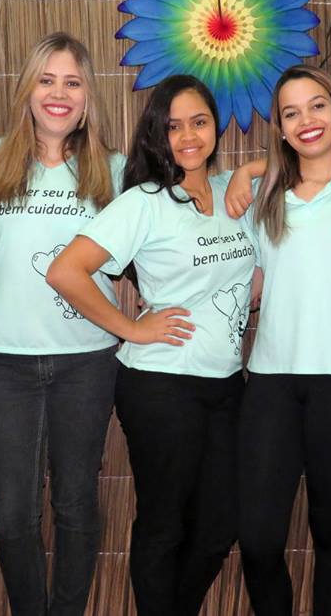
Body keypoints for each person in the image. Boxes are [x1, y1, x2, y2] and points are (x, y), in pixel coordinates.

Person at [47, 74, 256, 616]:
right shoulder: (146, 201)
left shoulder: (236, 193)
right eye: (173, 126)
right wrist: (131, 327)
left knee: (219, 526)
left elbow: (308, 166)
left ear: (216, 126)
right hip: (161, 384)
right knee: (164, 526)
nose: (188, 136)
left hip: (226, 384)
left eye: (199, 122)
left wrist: (252, 170)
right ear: (158, 135)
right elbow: (66, 271)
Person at [224, 64, 331, 615]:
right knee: (258, 538)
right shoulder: (266, 195)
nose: (306, 120)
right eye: (291, 113)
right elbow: (252, 284)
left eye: (317, 105)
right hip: (272, 383)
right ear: (281, 128)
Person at [0, 32, 125, 616]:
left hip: (85, 362)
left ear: (88, 97)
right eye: (47, 80)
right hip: (4, 362)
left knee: (75, 504)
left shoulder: (113, 171)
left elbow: (190, 192)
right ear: (27, 90)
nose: (59, 93)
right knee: (13, 513)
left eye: (72, 82)